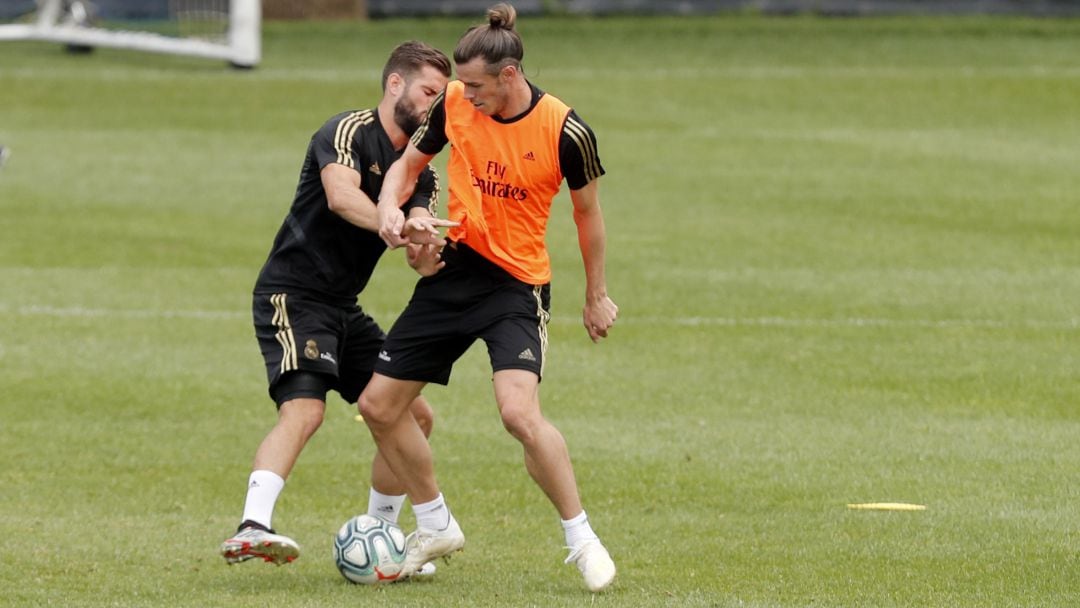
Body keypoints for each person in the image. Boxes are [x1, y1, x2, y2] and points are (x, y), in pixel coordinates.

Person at [359, 3, 618, 592]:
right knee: (378, 406)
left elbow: (587, 215)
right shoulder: (453, 101)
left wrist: (595, 296)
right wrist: (390, 209)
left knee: (518, 415)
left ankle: (582, 539)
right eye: (461, 83)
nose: (463, 95)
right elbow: (409, 164)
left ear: (508, 76)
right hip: (454, 272)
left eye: (475, 85)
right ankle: (434, 522)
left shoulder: (565, 130)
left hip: (516, 286)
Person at [219, 41, 455, 568]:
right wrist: (391, 221)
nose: (434, 108)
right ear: (395, 84)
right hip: (292, 294)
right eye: (428, 93)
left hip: (342, 307)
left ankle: (385, 536)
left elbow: (418, 251)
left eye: (442, 99)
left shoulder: (423, 170)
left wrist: (428, 251)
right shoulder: (347, 132)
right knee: (305, 410)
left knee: (412, 414)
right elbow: (340, 196)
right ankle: (251, 526)